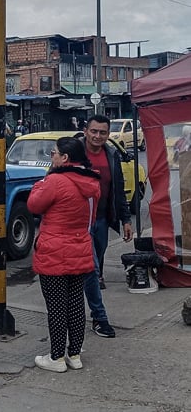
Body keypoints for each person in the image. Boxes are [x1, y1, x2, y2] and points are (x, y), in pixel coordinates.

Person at [27, 136, 100, 372]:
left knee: (57, 306)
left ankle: (56, 357)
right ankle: (74, 355)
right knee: (77, 303)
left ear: (65, 157)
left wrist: (40, 183)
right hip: (80, 248)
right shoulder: (90, 181)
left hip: (55, 251)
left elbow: (34, 205)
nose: (52, 156)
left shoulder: (55, 181)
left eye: (54, 153)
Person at [82, 114, 133, 338]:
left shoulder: (111, 155)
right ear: (86, 131)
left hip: (101, 221)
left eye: (103, 132)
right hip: (79, 223)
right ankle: (100, 318)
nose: (98, 136)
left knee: (95, 267)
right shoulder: (74, 152)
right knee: (91, 270)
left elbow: (119, 190)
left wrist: (126, 220)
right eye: (94, 131)